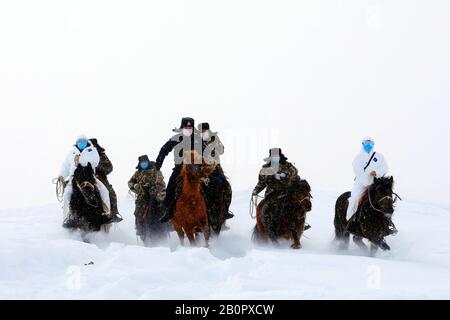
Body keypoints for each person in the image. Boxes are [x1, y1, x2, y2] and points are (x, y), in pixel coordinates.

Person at [57, 135, 111, 227]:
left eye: (83, 142)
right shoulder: (72, 152)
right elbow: (66, 165)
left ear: (86, 142)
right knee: (67, 195)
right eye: (79, 142)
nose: (81, 144)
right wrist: (61, 175)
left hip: (90, 176)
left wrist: (81, 160)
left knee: (104, 191)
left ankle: (106, 213)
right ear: (77, 143)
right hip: (75, 177)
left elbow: (95, 161)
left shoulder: (92, 150)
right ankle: (67, 218)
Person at [157, 117, 203, 222]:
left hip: (196, 170)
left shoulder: (197, 139)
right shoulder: (176, 138)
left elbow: (205, 152)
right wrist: (158, 165)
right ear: (182, 127)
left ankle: (212, 212)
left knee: (211, 186)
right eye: (186, 127)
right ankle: (169, 212)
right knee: (170, 189)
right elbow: (164, 150)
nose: (188, 129)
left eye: (190, 127)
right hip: (179, 170)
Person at [252, 148, 300, 238]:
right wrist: (256, 190)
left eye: (276, 156)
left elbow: (295, 174)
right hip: (272, 194)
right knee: (264, 208)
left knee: (296, 207)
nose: (275, 158)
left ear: (280, 156)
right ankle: (265, 225)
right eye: (273, 157)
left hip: (287, 193)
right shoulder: (266, 168)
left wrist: (285, 175)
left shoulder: (288, 165)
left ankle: (299, 225)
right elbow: (261, 182)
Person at [346, 137, 389, 219]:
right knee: (354, 199)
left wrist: (377, 172)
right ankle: (350, 219)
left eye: (371, 143)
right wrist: (367, 183)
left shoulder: (379, 156)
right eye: (366, 143)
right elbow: (359, 172)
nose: (368, 145)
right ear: (363, 144)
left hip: (376, 183)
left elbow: (385, 167)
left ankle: (388, 220)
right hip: (361, 184)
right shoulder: (358, 158)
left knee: (386, 198)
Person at [198, 122, 233, 222]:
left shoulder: (214, 138)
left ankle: (225, 211)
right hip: (202, 169)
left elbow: (222, 150)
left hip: (215, 168)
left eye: (205, 131)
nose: (203, 132)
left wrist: (214, 146)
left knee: (226, 187)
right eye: (201, 131)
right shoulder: (196, 141)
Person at [129, 155, 167, 237]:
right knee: (138, 211)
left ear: (148, 162)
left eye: (145, 162)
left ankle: (168, 224)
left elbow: (161, 181)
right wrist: (136, 186)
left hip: (155, 193)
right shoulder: (137, 173)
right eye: (142, 163)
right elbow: (130, 182)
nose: (144, 164)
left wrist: (155, 185)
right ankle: (140, 229)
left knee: (164, 205)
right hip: (143, 195)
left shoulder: (155, 170)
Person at [90, 138, 122, 223]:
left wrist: (98, 166)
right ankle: (70, 216)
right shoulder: (81, 155)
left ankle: (114, 213)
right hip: (84, 178)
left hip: (100, 179)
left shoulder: (102, 155)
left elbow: (109, 168)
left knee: (111, 193)